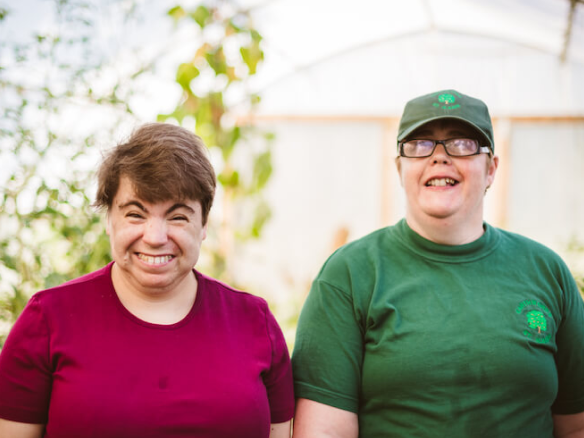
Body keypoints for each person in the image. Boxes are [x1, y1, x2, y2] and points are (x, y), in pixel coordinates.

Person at [291, 90, 584, 437]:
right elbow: (324, 432)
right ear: (400, 168)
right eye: (419, 144)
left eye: (462, 144)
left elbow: (575, 425)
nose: (440, 157)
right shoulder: (349, 275)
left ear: (491, 169)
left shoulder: (546, 271)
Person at [0, 123, 294, 438]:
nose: (155, 237)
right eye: (136, 214)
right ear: (109, 220)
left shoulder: (255, 323)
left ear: (204, 224)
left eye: (178, 216)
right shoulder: (47, 320)